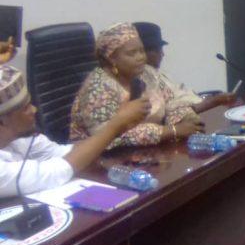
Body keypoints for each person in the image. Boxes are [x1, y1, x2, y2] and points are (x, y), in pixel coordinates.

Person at [0, 65, 150, 197]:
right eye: (25, 108)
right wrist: (115, 125)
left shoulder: (22, 139)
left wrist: (118, 127)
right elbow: (54, 173)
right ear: (2, 120)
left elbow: (64, 153)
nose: (34, 109)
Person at [70, 22, 203, 148]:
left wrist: (186, 118)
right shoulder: (98, 89)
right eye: (131, 53)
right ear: (112, 58)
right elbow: (108, 136)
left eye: (141, 51)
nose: (141, 57)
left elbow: (171, 101)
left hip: (148, 150)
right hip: (101, 158)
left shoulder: (146, 73)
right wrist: (172, 131)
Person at [133, 22, 238, 113]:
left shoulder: (158, 73)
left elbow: (180, 95)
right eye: (158, 50)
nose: (163, 54)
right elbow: (170, 114)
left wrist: (207, 100)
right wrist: (214, 101)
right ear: (144, 52)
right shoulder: (144, 78)